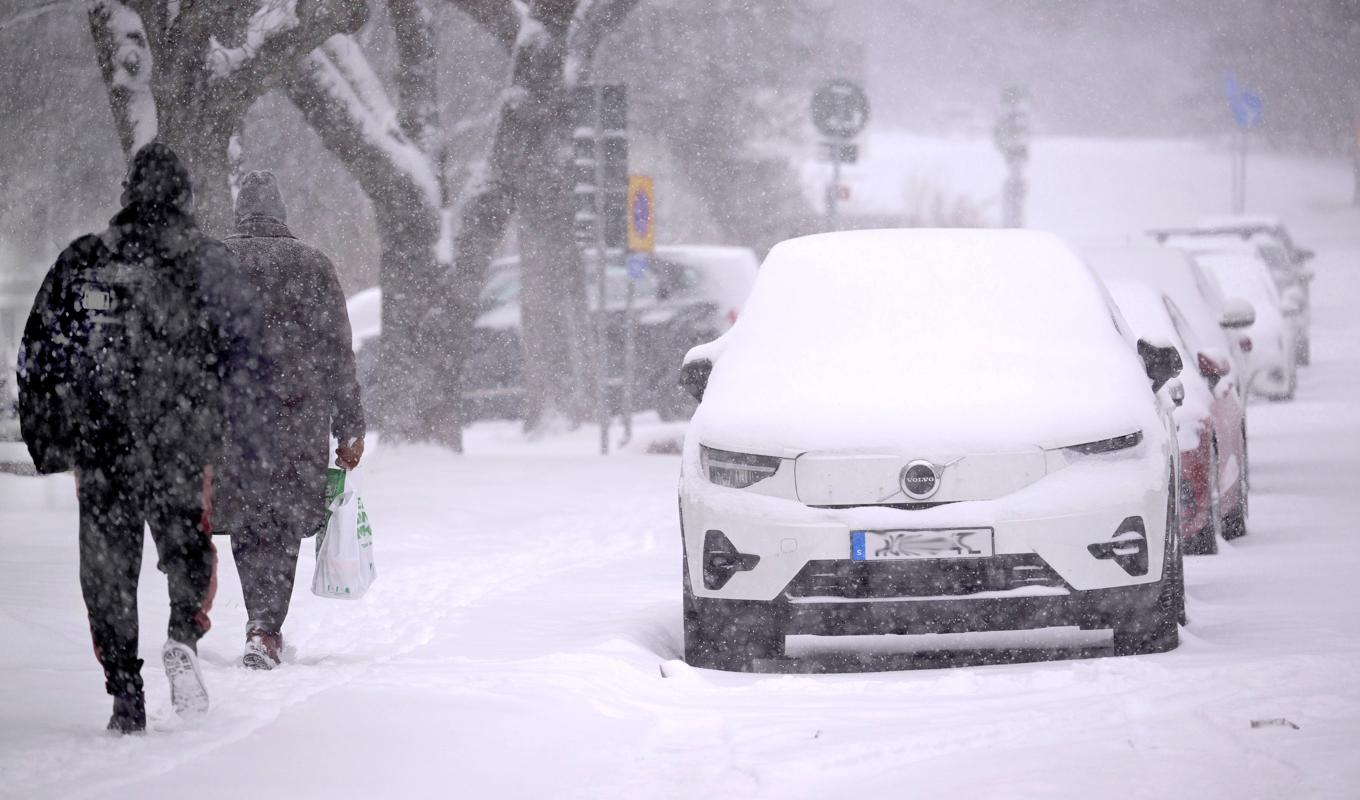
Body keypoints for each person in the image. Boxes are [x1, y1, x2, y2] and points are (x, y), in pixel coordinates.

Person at [17, 143, 263, 734]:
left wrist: (49, 439)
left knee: (106, 568)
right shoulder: (209, 264)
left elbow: (37, 356)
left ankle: (125, 690)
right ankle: (183, 632)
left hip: (101, 446)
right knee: (187, 547)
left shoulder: (84, 261)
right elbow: (249, 354)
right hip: (181, 440)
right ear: (185, 197)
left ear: (127, 195)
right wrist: (241, 434)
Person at [215, 170, 365, 670]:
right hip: (296, 420)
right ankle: (265, 626)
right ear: (281, 213)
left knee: (247, 522)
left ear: (241, 211)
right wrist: (350, 425)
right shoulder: (313, 265)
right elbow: (337, 352)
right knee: (279, 526)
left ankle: (258, 621)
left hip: (233, 421)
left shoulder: (215, 262)